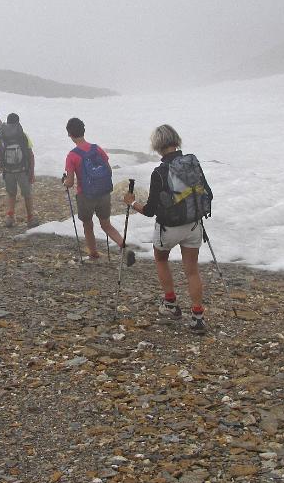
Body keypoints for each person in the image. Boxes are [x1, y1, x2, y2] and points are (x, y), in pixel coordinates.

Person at [123, 124, 210, 332]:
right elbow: (205, 192)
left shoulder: (160, 172)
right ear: (176, 141)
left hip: (168, 228)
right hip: (193, 224)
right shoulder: (192, 163)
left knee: (161, 259)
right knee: (192, 270)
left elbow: (151, 210)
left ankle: (171, 304)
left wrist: (132, 203)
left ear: (157, 146)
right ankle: (197, 317)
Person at [62, 117, 134, 263]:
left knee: (88, 224)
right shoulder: (97, 148)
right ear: (83, 131)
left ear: (69, 134)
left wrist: (64, 181)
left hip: (85, 196)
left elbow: (69, 182)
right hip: (104, 193)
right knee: (106, 224)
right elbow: (108, 170)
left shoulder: (72, 155)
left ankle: (93, 253)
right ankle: (124, 247)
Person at [0, 112, 38, 228]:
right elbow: (30, 155)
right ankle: (30, 218)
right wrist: (32, 173)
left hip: (8, 171)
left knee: (11, 194)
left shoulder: (2, 136)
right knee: (27, 195)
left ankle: (10, 217)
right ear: (18, 122)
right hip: (23, 170)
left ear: (7, 122)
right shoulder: (23, 135)